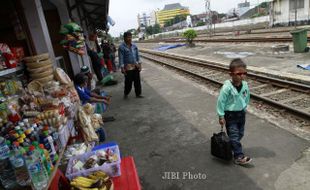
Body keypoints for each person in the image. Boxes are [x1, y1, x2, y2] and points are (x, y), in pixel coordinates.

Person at [216, 58, 251, 165]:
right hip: (230, 115)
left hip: (241, 114)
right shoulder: (227, 87)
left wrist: (245, 106)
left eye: (244, 73)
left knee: (240, 133)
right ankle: (238, 157)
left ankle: (232, 146)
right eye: (238, 73)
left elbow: (247, 96)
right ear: (231, 74)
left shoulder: (245, 85)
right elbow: (221, 101)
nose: (242, 76)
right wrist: (221, 116)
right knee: (234, 136)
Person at [118, 32, 143, 99]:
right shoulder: (121, 47)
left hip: (135, 66)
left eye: (130, 37)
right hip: (128, 67)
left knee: (137, 81)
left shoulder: (134, 46)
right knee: (128, 82)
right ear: (124, 38)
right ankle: (126, 93)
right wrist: (122, 68)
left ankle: (138, 94)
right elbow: (121, 58)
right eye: (128, 37)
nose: (129, 39)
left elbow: (138, 56)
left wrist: (140, 65)